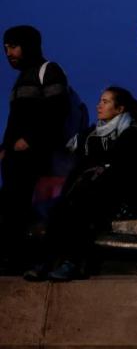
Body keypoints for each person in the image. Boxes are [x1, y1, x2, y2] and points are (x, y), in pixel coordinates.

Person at [24, 87, 137, 281]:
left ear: (119, 109)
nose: (98, 105)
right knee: (62, 205)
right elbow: (81, 168)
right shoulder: (90, 136)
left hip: (122, 196)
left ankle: (74, 263)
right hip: (92, 190)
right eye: (100, 101)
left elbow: (124, 169)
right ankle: (47, 261)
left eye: (105, 102)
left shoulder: (133, 133)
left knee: (83, 206)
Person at [1, 26, 71, 273]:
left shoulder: (48, 70)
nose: (9, 52)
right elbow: (15, 119)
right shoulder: (21, 78)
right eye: (6, 47)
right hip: (16, 157)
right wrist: (5, 147)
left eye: (14, 46)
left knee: (28, 207)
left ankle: (28, 259)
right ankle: (13, 257)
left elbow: (57, 110)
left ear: (29, 45)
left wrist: (30, 140)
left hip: (38, 157)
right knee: (12, 205)